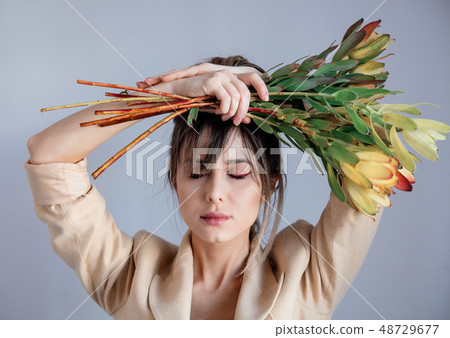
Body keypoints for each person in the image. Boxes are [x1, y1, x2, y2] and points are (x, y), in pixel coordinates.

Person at [24, 56, 383, 320]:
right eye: (196, 172)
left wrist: (278, 96)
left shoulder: (306, 276)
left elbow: (371, 146)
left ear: (270, 184)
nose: (214, 192)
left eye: (239, 174)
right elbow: (48, 154)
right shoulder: (131, 276)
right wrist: (169, 93)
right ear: (173, 180)